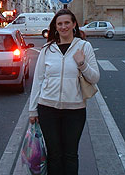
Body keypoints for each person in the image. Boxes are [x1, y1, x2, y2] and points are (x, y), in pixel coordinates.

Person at [29, 9, 100, 175]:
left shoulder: (84, 46)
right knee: (54, 155)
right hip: (47, 108)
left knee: (70, 155)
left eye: (67, 23)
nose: (63, 27)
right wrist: (32, 109)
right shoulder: (47, 49)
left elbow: (95, 78)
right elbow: (38, 80)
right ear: (55, 26)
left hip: (74, 110)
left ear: (74, 24)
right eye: (59, 24)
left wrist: (82, 64)